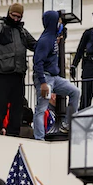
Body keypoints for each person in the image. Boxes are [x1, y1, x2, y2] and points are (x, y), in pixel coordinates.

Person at [0, 3, 36, 135]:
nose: (16, 19)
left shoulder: (22, 31)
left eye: (19, 17)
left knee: (17, 110)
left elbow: (35, 45)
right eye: (13, 15)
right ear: (8, 13)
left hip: (18, 75)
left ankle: (14, 135)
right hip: (1, 75)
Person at [33, 10, 80, 140]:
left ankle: (68, 124)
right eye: (58, 20)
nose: (60, 23)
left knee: (74, 92)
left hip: (54, 78)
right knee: (41, 108)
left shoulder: (52, 38)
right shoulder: (45, 41)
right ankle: (39, 138)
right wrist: (42, 83)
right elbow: (37, 63)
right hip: (46, 79)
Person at [72, 7, 93, 110]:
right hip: (90, 66)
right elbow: (80, 50)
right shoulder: (88, 33)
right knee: (86, 97)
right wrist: (74, 65)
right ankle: (82, 122)